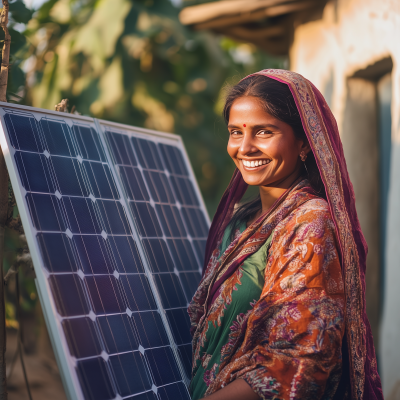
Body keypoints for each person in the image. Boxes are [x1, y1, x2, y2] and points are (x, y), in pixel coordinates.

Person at [188, 70, 383, 400]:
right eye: (236, 132)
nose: (245, 148)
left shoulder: (310, 223)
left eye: (264, 131)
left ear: (304, 142)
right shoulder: (242, 221)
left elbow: (297, 365)